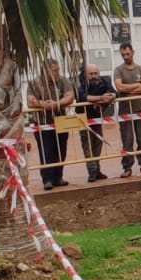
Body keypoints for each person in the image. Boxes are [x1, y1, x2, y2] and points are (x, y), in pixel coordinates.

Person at [27, 58, 74, 190]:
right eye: (54, 70)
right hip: (42, 122)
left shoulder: (63, 80)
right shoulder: (35, 83)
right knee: (46, 150)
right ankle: (47, 179)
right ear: (45, 71)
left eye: (58, 70)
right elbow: (30, 101)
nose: (57, 72)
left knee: (61, 150)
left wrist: (57, 104)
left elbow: (70, 96)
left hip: (60, 121)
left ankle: (58, 177)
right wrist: (43, 104)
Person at [113, 42, 141, 177]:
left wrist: (130, 88)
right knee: (127, 140)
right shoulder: (119, 70)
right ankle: (127, 167)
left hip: (140, 110)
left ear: (133, 53)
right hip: (125, 112)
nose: (125, 57)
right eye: (123, 54)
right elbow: (120, 88)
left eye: (128, 54)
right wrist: (137, 85)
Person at [77, 63, 116, 183]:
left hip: (97, 117)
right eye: (91, 74)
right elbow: (83, 97)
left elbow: (114, 92)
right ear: (85, 74)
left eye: (96, 73)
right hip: (83, 117)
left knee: (98, 143)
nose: (94, 76)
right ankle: (92, 171)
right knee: (87, 144)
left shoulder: (105, 80)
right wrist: (100, 98)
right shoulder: (79, 81)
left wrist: (110, 97)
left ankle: (97, 168)